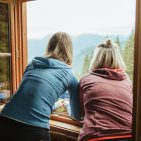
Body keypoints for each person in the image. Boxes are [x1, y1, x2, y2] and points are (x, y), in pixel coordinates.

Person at [0, 32, 81, 141]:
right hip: (33, 129)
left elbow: (30, 100)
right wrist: (66, 104)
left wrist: (54, 105)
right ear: (69, 50)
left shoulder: (32, 64)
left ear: (49, 46)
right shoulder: (69, 75)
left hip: (5, 120)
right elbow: (77, 115)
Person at [78, 39, 132, 141]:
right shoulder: (127, 81)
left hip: (97, 136)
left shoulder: (86, 79)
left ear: (96, 58)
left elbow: (80, 113)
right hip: (129, 135)